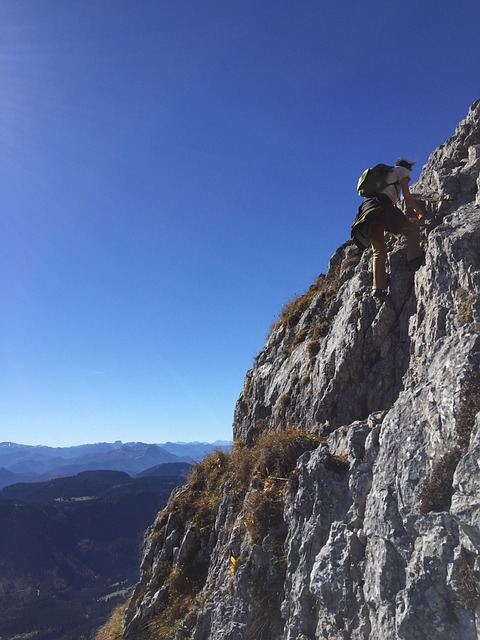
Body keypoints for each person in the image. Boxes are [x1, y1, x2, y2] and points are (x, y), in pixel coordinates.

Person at [351, 158, 425, 298]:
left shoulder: (385, 176)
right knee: (412, 230)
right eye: (409, 176)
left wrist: (403, 222)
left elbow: (393, 218)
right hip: (383, 207)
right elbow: (407, 196)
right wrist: (418, 211)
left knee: (378, 251)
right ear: (407, 169)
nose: (409, 179)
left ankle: (377, 289)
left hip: (368, 211)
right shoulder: (402, 170)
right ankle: (415, 261)